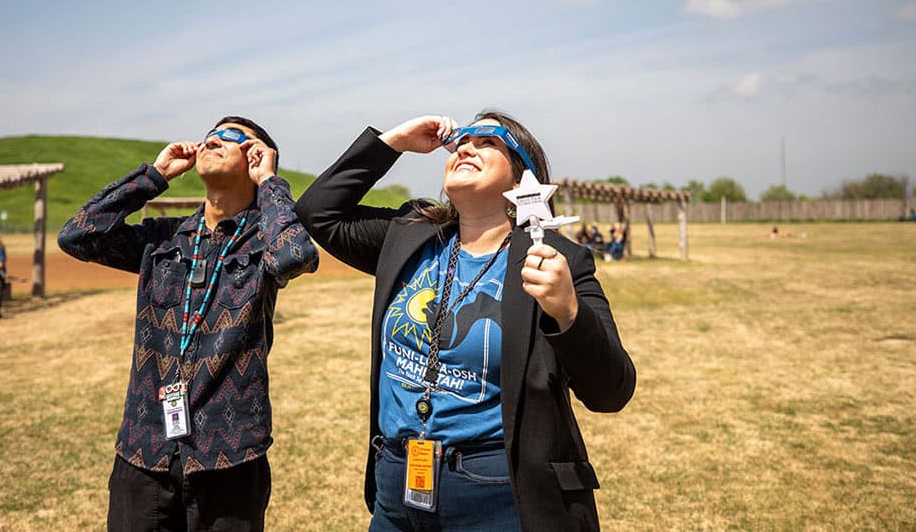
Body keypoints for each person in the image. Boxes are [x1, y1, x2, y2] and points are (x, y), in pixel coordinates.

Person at [295, 111, 636, 531]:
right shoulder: (409, 235)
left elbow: (612, 390)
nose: (467, 147)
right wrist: (394, 142)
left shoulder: (557, 260)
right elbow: (317, 211)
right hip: (397, 485)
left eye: (489, 142)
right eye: (462, 141)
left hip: (498, 494)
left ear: (520, 180)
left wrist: (568, 313)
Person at [58, 115, 318, 531]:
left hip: (229, 456)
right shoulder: (163, 238)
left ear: (256, 157)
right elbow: (77, 236)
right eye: (209, 136)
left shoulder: (266, 239)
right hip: (144, 449)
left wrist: (270, 182)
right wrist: (154, 176)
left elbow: (295, 257)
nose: (213, 140)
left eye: (232, 137)